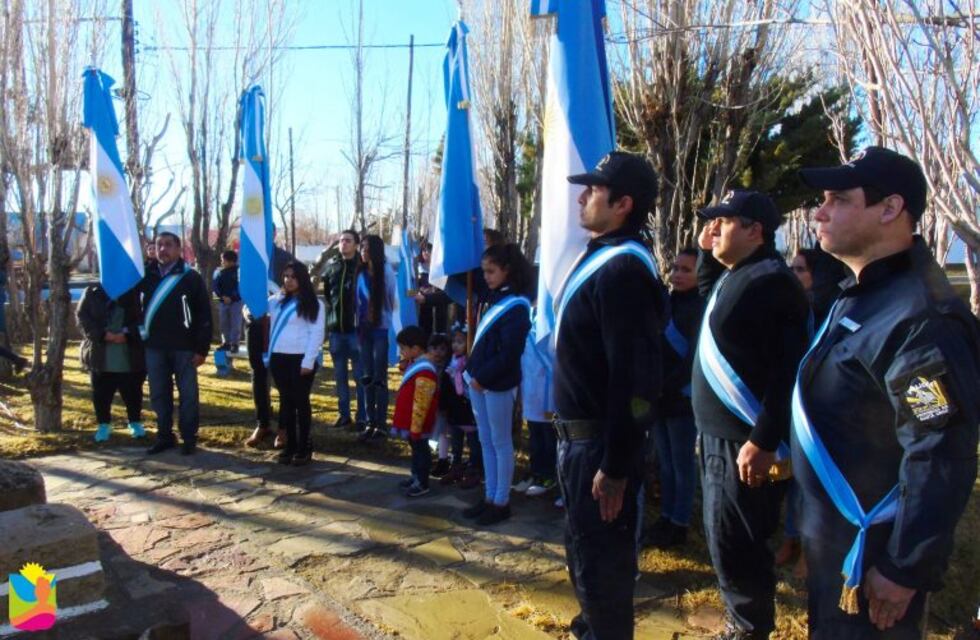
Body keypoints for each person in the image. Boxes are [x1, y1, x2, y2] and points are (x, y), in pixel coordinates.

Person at [794, 147, 979, 638]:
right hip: (836, 543)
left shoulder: (919, 317)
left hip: (877, 556)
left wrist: (905, 567)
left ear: (891, 208)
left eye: (837, 198)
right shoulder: (862, 292)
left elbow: (941, 451)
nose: (820, 211)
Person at [554, 151, 666, 639]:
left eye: (593, 190)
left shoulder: (625, 273)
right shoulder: (602, 257)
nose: (582, 196)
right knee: (583, 555)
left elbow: (636, 380)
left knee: (605, 569)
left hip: (600, 445)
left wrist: (618, 464)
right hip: (578, 441)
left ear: (622, 204)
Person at [693, 190, 810, 640]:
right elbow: (712, 304)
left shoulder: (773, 282)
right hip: (720, 438)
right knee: (723, 539)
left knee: (738, 542)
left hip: (745, 444)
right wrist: (707, 254)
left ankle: (748, 629)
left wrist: (763, 439)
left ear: (755, 231)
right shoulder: (737, 275)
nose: (714, 228)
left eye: (724, 221)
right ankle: (740, 620)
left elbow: (788, 372)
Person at [462, 243, 533, 526]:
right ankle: (489, 495)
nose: (486, 276)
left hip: (498, 382)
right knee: (485, 440)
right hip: (479, 380)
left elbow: (510, 352)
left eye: (491, 271)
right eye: (483, 271)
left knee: (501, 442)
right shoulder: (490, 297)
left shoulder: (517, 305)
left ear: (508, 270)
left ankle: (501, 501)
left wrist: (482, 377)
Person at [646, 247, 704, 549]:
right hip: (659, 397)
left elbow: (693, 360)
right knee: (665, 462)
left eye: (686, 269)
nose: (678, 275)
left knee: (682, 464)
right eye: (676, 268)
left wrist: (667, 385)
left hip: (681, 398)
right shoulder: (667, 304)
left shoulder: (701, 308)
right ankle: (666, 517)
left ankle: (680, 522)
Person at [141, 232, 212, 455]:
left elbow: (204, 315)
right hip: (154, 346)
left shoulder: (191, 277)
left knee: (188, 394)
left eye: (168, 245)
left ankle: (189, 437)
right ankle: (164, 436)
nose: (163, 249)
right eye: (159, 245)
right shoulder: (145, 275)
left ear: (179, 249)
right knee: (159, 393)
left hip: (185, 346)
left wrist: (202, 349)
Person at [266, 261, 325, 466]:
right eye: (285, 276)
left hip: (301, 358)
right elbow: (253, 307)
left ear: (302, 278)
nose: (288, 281)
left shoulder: (314, 303)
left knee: (301, 402)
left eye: (293, 277)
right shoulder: (276, 301)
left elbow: (317, 334)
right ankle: (290, 444)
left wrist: (308, 361)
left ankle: (304, 446)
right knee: (286, 402)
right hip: (279, 358)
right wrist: (248, 310)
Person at [76, 283, 146, 442]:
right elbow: (82, 316)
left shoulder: (135, 289)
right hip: (100, 353)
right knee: (101, 392)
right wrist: (101, 335)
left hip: (130, 352)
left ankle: (135, 422)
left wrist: (127, 335)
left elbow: (145, 317)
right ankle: (103, 424)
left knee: (133, 391)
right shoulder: (92, 291)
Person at [243, 243, 295, 448]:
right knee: (258, 374)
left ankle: (284, 427)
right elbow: (244, 288)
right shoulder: (248, 254)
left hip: (279, 323)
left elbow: (293, 283)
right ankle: (262, 422)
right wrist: (247, 311)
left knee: (283, 377)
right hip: (254, 324)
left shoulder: (283, 257)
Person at [323, 229, 367, 430]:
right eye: (341, 241)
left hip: (356, 331)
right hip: (335, 331)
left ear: (356, 244)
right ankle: (343, 415)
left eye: (348, 241)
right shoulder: (332, 266)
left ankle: (362, 416)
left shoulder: (363, 267)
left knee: (359, 376)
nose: (344, 244)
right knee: (340, 376)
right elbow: (327, 295)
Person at [391, 325, 441, 497]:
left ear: (416, 348)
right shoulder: (417, 364)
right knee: (416, 449)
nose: (401, 351)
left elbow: (422, 401)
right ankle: (415, 476)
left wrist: (416, 425)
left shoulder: (425, 370)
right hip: (412, 420)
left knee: (421, 451)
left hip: (418, 420)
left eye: (403, 348)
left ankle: (422, 481)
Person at [356, 234, 397, 441]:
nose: (363, 251)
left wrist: (380, 318)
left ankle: (381, 424)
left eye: (367, 247)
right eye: (361, 247)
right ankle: (369, 421)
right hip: (363, 331)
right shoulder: (360, 272)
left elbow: (391, 300)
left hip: (380, 329)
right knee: (366, 377)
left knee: (380, 378)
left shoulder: (387, 272)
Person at [513, 318, 557, 498]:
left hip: (547, 390)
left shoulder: (547, 318)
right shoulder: (526, 315)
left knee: (548, 434)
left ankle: (548, 476)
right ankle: (536, 471)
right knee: (534, 433)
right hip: (531, 389)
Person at [438, 326, 483, 489]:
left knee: (473, 442)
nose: (455, 345)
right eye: (454, 342)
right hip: (454, 409)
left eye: (460, 342)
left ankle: (474, 470)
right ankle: (455, 466)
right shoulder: (450, 362)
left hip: (468, 408)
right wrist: (443, 404)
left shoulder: (470, 364)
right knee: (455, 441)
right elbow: (444, 384)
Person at [425, 333, 454, 478]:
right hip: (428, 406)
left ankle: (444, 460)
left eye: (442, 349)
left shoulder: (448, 368)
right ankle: (428, 458)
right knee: (430, 431)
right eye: (434, 348)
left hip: (443, 406)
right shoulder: (426, 366)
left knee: (443, 432)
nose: (437, 352)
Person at [415, 242, 451, 336]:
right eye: (424, 250)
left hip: (439, 307)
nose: (425, 252)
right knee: (425, 329)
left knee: (439, 331)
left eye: (429, 250)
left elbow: (447, 291)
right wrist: (419, 291)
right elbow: (410, 290)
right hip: (424, 306)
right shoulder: (417, 268)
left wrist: (432, 290)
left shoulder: (441, 268)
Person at [213, 249, 243, 353]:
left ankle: (235, 344)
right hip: (223, 302)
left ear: (231, 261)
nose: (222, 262)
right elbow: (215, 287)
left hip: (236, 302)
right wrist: (222, 297)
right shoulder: (220, 273)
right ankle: (226, 343)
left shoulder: (239, 272)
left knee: (235, 323)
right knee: (223, 323)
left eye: (223, 260)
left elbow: (241, 287)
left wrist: (232, 298)